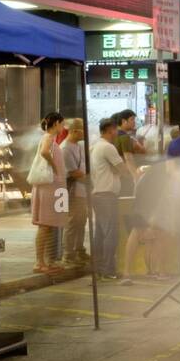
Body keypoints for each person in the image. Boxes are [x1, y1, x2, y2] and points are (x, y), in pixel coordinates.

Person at [89, 117, 129, 280]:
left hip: (98, 194)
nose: (117, 132)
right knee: (111, 233)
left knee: (100, 233)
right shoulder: (107, 147)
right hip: (106, 195)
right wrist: (119, 170)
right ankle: (108, 270)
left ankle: (98, 268)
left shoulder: (95, 146)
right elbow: (124, 170)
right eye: (115, 129)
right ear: (110, 129)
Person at [31, 114, 69, 275]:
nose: (64, 127)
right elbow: (45, 153)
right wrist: (54, 167)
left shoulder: (51, 138)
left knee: (50, 225)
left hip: (53, 187)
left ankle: (47, 260)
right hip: (48, 186)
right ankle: (39, 262)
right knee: (45, 225)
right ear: (57, 123)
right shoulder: (48, 137)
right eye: (63, 124)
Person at [61, 119, 90, 267]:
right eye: (82, 130)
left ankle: (79, 250)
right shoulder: (65, 148)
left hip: (81, 190)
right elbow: (73, 172)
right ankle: (68, 254)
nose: (85, 133)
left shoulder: (77, 146)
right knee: (72, 222)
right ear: (74, 131)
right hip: (72, 191)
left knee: (81, 221)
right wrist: (91, 181)